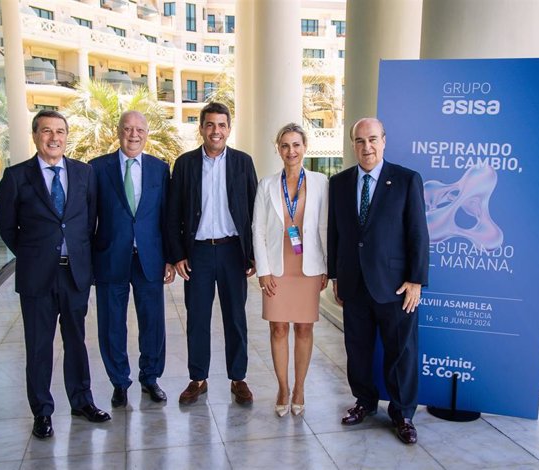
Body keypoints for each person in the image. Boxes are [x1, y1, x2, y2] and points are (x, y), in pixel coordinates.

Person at [0, 110, 110, 440]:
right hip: (37, 278)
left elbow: (88, 222)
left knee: (76, 342)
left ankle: (82, 401)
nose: (54, 137)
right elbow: (6, 226)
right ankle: (42, 412)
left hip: (74, 274)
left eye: (60, 131)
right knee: (39, 346)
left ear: (66, 136)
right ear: (35, 136)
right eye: (47, 131)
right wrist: (33, 254)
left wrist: (75, 254)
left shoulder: (83, 173)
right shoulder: (17, 176)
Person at [327, 117, 429, 444]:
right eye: (360, 141)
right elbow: (336, 233)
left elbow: (418, 234)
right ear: (353, 144)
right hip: (354, 285)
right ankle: (365, 402)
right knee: (357, 350)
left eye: (372, 139)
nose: (366, 147)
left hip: (396, 288)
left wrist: (416, 280)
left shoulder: (406, 180)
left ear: (384, 141)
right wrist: (335, 275)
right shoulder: (339, 183)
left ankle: (402, 413)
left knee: (401, 352)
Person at [167, 102, 258, 405]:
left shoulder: (243, 162)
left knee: (235, 317)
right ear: (202, 128)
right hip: (199, 254)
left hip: (234, 251)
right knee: (197, 318)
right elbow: (174, 212)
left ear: (229, 128)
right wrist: (178, 253)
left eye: (221, 125)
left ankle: (238, 378)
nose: (216, 131)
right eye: (210, 125)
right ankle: (198, 378)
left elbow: (253, 210)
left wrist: (253, 254)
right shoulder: (185, 164)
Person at [90, 111, 175, 407]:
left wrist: (169, 257)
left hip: (149, 258)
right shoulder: (97, 169)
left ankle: (150, 377)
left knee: (152, 323)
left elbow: (167, 217)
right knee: (112, 324)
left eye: (139, 129)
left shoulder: (159, 169)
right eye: (127, 129)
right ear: (118, 131)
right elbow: (89, 220)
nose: (133, 134)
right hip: (110, 258)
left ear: (147, 133)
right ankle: (119, 381)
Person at [252, 123, 328, 417]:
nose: (291, 151)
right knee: (278, 327)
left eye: (296, 145)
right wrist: (264, 271)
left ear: (305, 147)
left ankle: (300, 388)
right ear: (278, 149)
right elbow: (257, 229)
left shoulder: (322, 182)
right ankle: (283, 387)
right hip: (277, 266)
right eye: (285, 145)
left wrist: (327, 266)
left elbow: (327, 226)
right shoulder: (267, 184)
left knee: (304, 328)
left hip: (308, 266)